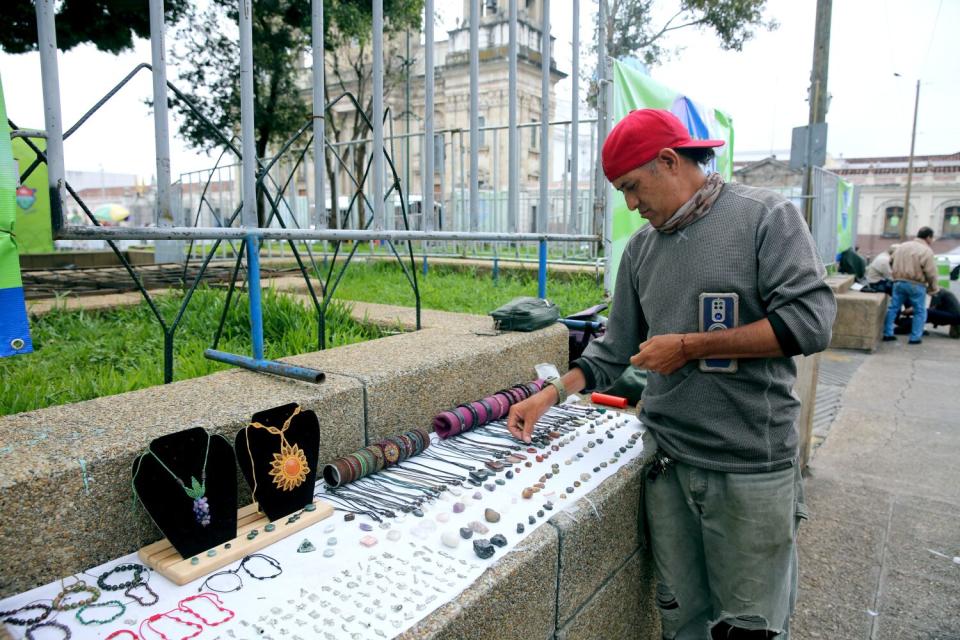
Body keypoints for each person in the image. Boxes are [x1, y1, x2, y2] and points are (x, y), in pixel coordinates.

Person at [507, 109, 836, 640]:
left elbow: (811, 323)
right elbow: (613, 352)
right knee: (682, 621)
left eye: (634, 187)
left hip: (749, 467)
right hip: (668, 467)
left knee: (749, 627)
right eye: (622, 193)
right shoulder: (640, 252)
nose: (632, 206)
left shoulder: (764, 218)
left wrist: (688, 347)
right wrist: (550, 394)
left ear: (669, 160)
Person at [882, 227, 939, 344]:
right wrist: (933, 288)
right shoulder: (926, 250)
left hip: (898, 282)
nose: (932, 240)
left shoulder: (902, 246)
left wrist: (895, 274)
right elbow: (931, 272)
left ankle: (887, 334)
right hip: (916, 284)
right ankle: (915, 338)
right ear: (928, 237)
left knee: (893, 308)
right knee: (920, 311)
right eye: (932, 238)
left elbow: (890, 261)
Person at [896, 288, 960, 338]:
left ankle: (906, 326)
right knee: (926, 314)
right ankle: (908, 325)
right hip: (954, 316)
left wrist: (911, 310)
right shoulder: (942, 292)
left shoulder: (937, 293)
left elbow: (931, 309)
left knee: (925, 313)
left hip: (953, 316)